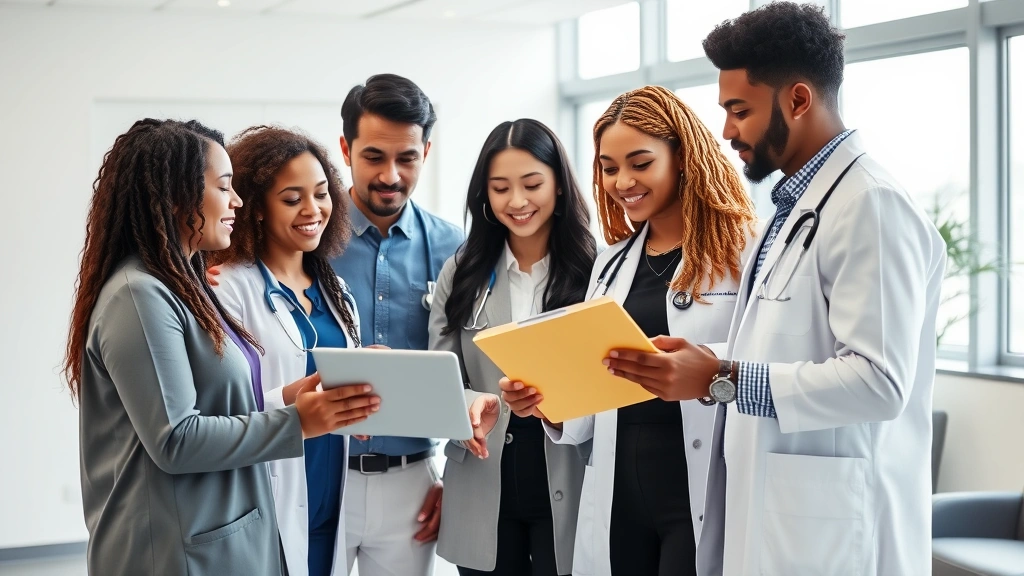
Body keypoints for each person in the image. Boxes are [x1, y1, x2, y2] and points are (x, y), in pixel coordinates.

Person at [601, 4, 947, 574]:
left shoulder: (871, 205)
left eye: (740, 110)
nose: (727, 130)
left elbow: (879, 382)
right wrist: (707, 364)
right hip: (776, 518)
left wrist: (720, 378)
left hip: (838, 532)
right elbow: (784, 348)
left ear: (799, 100)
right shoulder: (795, 210)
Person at [65, 119, 378, 575]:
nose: (236, 201)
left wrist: (297, 396)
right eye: (225, 187)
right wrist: (298, 421)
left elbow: (215, 403)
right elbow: (176, 439)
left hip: (215, 535)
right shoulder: (139, 296)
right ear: (177, 196)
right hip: (170, 550)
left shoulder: (183, 287)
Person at [502, 86, 758, 576]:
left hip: (700, 488)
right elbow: (595, 389)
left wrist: (706, 360)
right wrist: (545, 402)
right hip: (620, 494)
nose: (623, 181)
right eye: (609, 166)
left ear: (681, 156)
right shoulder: (611, 262)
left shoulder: (746, 249)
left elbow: (764, 356)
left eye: (640, 163)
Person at [208, 126, 380, 576]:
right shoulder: (228, 288)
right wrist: (295, 401)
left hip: (330, 490)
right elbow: (220, 409)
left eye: (322, 194)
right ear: (257, 206)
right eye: (292, 198)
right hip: (271, 489)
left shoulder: (336, 291)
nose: (313, 210)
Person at [428, 119, 596, 576]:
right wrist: (467, 405)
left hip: (566, 464)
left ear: (559, 185)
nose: (517, 202)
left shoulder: (595, 271)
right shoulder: (461, 271)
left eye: (532, 184)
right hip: (484, 468)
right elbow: (440, 373)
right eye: (500, 188)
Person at [331, 73, 463, 576]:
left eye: (406, 158)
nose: (391, 175)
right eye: (374, 157)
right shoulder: (307, 242)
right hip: (320, 474)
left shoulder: (457, 248)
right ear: (346, 149)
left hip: (415, 482)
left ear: (425, 152)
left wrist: (460, 484)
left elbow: (474, 371)